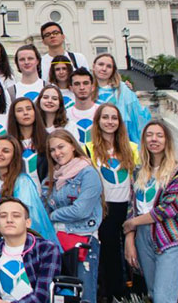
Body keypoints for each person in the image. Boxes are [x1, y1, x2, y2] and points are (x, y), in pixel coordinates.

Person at [124, 120, 178, 303]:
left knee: (163, 298)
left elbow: (171, 207)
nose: (154, 139)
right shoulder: (137, 171)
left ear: (167, 141)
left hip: (168, 237)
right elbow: (131, 207)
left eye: (159, 135)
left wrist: (133, 223)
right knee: (153, 294)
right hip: (143, 238)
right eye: (149, 135)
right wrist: (130, 238)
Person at [86, 103, 140, 301]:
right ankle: (110, 296)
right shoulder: (89, 148)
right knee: (109, 258)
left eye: (114, 118)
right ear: (98, 121)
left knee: (129, 256)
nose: (110, 122)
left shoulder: (132, 148)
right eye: (105, 117)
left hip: (126, 208)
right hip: (104, 209)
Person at [45, 129, 103, 303]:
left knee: (83, 296)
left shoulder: (88, 173)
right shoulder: (52, 178)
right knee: (59, 296)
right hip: (56, 243)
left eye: (61, 147)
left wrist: (54, 215)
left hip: (82, 240)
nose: (57, 153)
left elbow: (81, 210)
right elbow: (42, 209)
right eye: (52, 150)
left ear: (72, 146)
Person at [0, 198, 62, 303]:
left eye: (16, 216)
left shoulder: (46, 249)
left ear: (27, 222)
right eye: (3, 216)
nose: (9, 220)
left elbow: (42, 294)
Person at [0, 135, 58, 244]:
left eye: (5, 151)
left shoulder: (22, 182)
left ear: (14, 156)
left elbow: (30, 219)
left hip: (24, 246)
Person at [92, 52, 151, 144]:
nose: (104, 69)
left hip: (119, 141)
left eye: (109, 66)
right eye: (101, 64)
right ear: (94, 66)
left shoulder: (123, 89)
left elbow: (136, 118)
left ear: (113, 70)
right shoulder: (85, 89)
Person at [6, 97, 50, 192]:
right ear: (14, 116)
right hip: (18, 195)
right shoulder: (8, 143)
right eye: (19, 110)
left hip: (45, 195)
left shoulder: (49, 140)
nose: (25, 113)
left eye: (29, 109)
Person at [66, 68, 100, 144]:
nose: (82, 87)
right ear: (71, 88)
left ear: (93, 87)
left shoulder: (102, 112)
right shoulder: (65, 115)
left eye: (85, 83)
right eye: (77, 84)